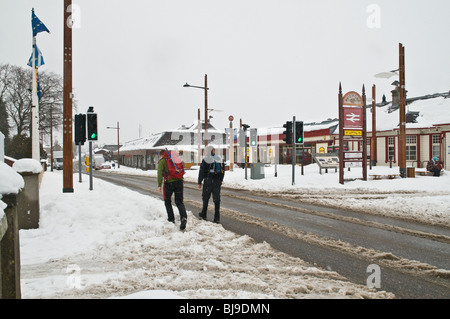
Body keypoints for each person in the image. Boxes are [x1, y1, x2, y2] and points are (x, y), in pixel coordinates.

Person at [157, 149, 187, 230]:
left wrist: (159, 185)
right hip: (179, 182)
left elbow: (159, 173)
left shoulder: (163, 161)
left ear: (162, 155)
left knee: (167, 201)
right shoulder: (175, 159)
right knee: (179, 202)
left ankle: (171, 219)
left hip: (169, 183)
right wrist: (181, 178)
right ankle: (183, 217)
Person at [198, 146, 225, 223]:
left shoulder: (206, 159)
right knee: (216, 199)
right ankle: (216, 217)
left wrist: (199, 182)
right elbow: (223, 171)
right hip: (217, 181)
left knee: (206, 198)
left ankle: (203, 213)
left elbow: (201, 171)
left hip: (208, 181)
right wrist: (220, 180)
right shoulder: (219, 159)